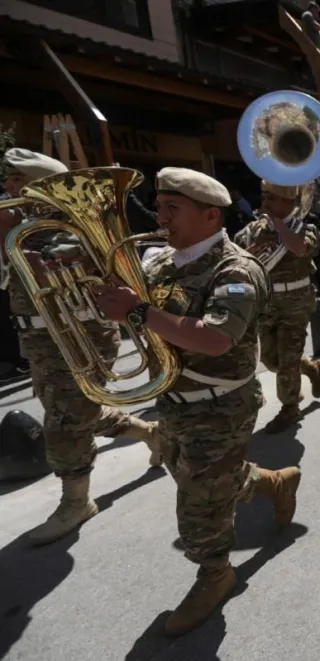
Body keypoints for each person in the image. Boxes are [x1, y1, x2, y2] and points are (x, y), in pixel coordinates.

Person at [93, 167, 302, 635]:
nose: (160, 217)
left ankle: (215, 574)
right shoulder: (161, 261)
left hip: (219, 405)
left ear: (210, 215)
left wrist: (139, 309)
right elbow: (144, 324)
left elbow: (215, 339)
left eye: (173, 209)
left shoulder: (237, 269)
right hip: (172, 400)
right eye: (160, 206)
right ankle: (275, 483)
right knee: (206, 479)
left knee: (197, 506)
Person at [1, 149, 159, 545]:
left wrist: (20, 245)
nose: (7, 186)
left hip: (78, 336)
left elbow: (75, 268)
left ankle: (76, 500)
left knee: (65, 419)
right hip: (40, 339)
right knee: (75, 408)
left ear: (39, 185)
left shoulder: (65, 228)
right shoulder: (19, 227)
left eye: (17, 180)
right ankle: (153, 434)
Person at [233, 181, 320, 433]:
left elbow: (299, 248)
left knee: (287, 360)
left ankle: (290, 408)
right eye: (264, 197)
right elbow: (236, 257)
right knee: (269, 358)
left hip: (296, 303)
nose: (266, 203)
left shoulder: (305, 228)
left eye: (272, 198)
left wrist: (279, 224)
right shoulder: (253, 229)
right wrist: (248, 252)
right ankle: (311, 368)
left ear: (287, 202)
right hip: (267, 303)